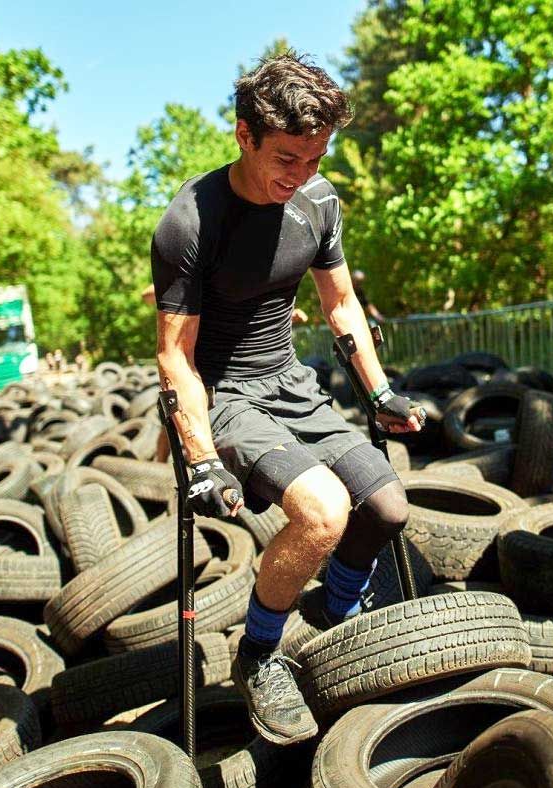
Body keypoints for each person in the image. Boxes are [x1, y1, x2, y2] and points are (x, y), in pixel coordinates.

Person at [152, 52, 425, 747]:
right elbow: (174, 355)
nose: (300, 176)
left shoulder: (319, 200)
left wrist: (382, 389)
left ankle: (335, 618)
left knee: (388, 506)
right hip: (227, 395)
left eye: (315, 159)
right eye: (286, 159)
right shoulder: (190, 221)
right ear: (243, 135)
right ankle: (258, 655)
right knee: (324, 513)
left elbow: (341, 307)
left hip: (291, 382)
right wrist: (202, 455)